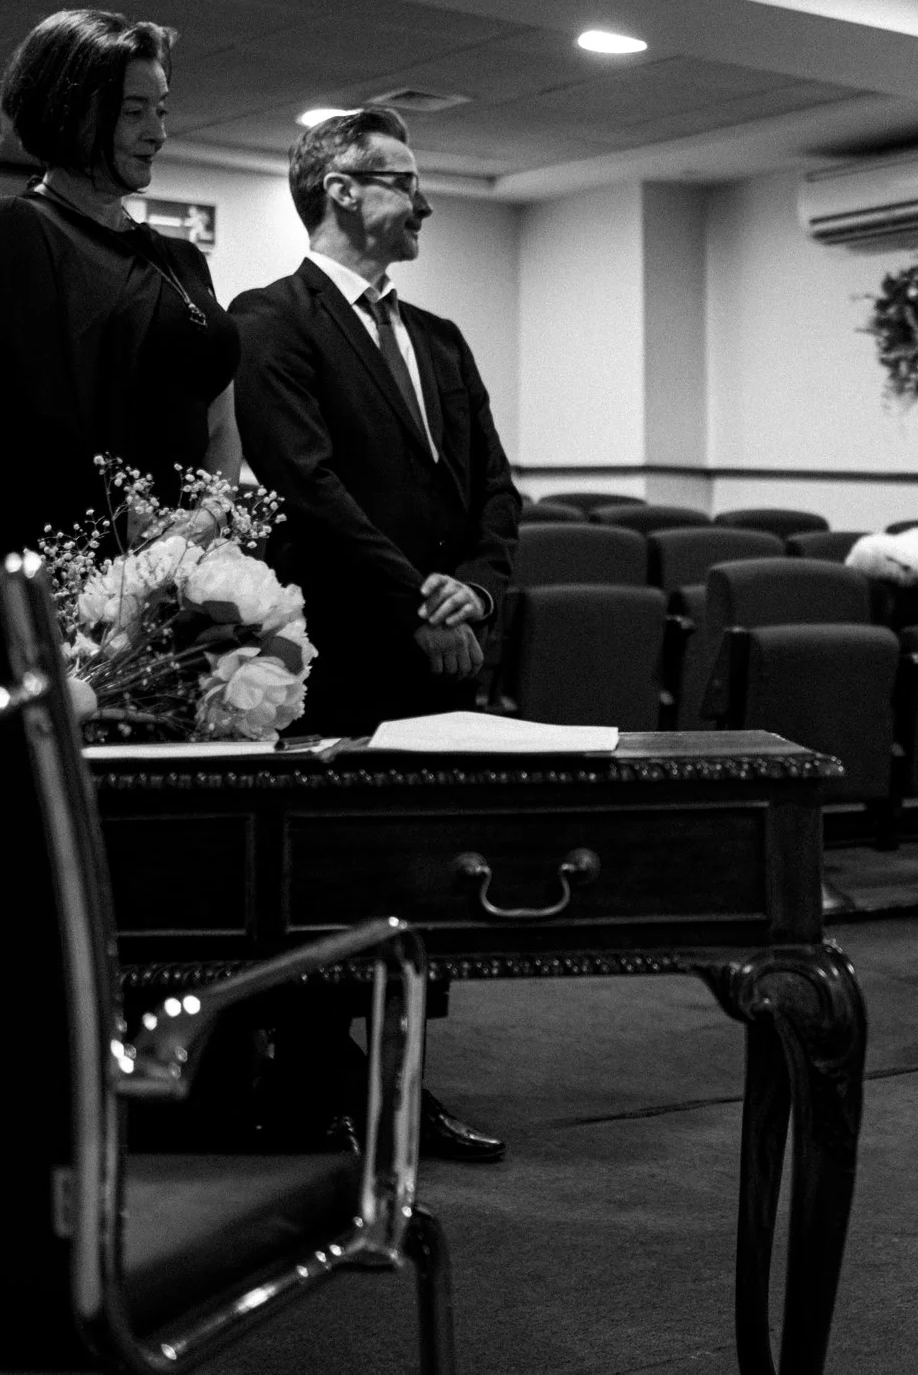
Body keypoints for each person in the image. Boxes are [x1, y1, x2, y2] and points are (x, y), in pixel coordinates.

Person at [231, 106, 520, 1163]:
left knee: (423, 883)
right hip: (342, 650)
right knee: (339, 886)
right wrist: (419, 603)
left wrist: (474, 598)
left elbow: (495, 491)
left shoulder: (439, 336)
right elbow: (307, 489)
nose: (424, 199)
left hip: (439, 651)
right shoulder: (272, 317)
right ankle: (313, 1092)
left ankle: (401, 1089)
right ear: (340, 186)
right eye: (401, 179)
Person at [0, 9, 240, 570]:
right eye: (134, 111)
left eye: (161, 109)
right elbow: (29, 433)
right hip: (86, 565)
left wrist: (208, 517)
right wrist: (146, 538)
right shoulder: (18, 227)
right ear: (71, 111)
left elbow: (222, 419)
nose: (158, 132)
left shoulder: (180, 258)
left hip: (189, 562)